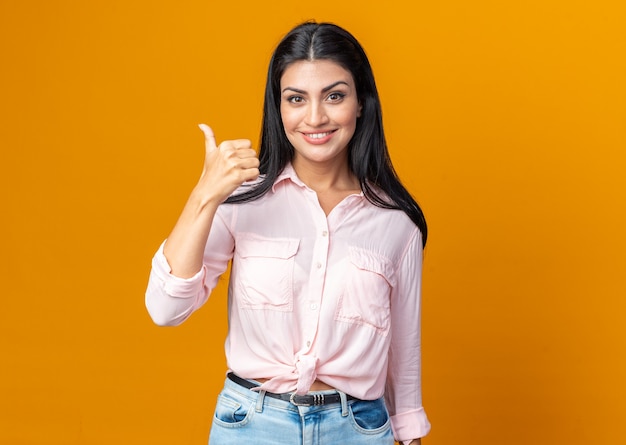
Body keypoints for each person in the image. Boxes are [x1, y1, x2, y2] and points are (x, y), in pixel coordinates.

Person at [145, 21, 430, 445]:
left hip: (359, 430)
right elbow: (165, 309)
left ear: (361, 105)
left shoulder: (396, 223)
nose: (315, 117)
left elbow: (403, 354)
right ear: (278, 108)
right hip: (252, 427)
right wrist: (205, 195)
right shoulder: (239, 201)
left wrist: (409, 432)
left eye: (334, 96)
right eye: (296, 99)